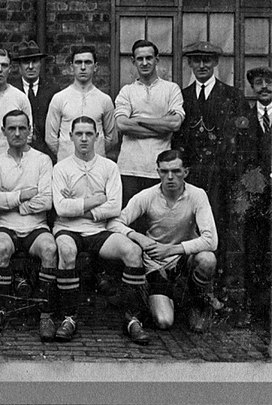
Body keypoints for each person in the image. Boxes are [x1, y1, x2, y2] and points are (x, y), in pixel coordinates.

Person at [52, 116, 150, 345]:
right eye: (79, 134)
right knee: (66, 252)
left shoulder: (109, 167)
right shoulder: (61, 168)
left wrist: (79, 207)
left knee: (133, 252)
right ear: (71, 137)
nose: (84, 138)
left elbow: (114, 206)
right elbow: (61, 208)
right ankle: (69, 317)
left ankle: (132, 319)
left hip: (99, 229)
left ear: (97, 137)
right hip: (67, 229)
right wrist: (96, 200)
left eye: (89, 134)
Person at [171, 41, 250, 299]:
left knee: (219, 229)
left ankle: (215, 291)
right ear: (190, 64)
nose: (202, 65)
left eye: (207, 60)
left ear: (216, 63)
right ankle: (190, 290)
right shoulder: (182, 96)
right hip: (192, 176)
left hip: (222, 176)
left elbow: (244, 140)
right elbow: (177, 140)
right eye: (196, 60)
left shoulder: (233, 96)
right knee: (189, 227)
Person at [109, 149, 218, 333]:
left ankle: (196, 303)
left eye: (176, 171)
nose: (170, 177)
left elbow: (211, 241)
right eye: (164, 171)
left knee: (207, 259)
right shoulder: (148, 195)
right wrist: (137, 236)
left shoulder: (197, 195)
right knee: (164, 321)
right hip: (156, 262)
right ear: (157, 172)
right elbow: (114, 222)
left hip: (183, 258)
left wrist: (171, 249)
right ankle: (153, 294)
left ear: (186, 172)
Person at [0, 110, 56, 339]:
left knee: (50, 249)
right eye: (11, 128)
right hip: (5, 225)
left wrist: (10, 198)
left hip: (36, 225)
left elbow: (46, 201)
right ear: (3, 132)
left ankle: (46, 314)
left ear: (30, 130)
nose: (17, 133)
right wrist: (25, 194)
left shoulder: (42, 160)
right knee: (1, 248)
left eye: (22, 128)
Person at [115, 39, 184, 206]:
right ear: (133, 61)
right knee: (131, 221)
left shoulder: (171, 89)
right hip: (129, 168)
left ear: (157, 59)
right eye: (140, 59)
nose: (145, 63)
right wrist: (162, 127)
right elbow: (122, 124)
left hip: (160, 169)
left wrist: (137, 120)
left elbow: (175, 124)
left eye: (149, 58)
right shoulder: (127, 91)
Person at [45, 45, 116, 162]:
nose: (83, 67)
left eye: (88, 62)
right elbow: (50, 138)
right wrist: (68, 153)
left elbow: (111, 138)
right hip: (67, 165)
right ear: (71, 67)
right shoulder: (59, 98)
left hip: (96, 165)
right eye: (78, 62)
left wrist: (93, 152)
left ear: (95, 67)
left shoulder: (104, 100)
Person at [240, 66, 272, 327]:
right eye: (259, 82)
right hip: (257, 198)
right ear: (252, 87)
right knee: (255, 252)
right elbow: (240, 161)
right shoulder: (244, 121)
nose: (264, 87)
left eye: (269, 82)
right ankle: (256, 310)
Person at [10, 40, 59, 160]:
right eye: (26, 62)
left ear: (40, 64)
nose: (31, 66)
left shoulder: (53, 90)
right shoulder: (11, 90)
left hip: (46, 154)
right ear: (19, 66)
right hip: (17, 152)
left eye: (35, 61)